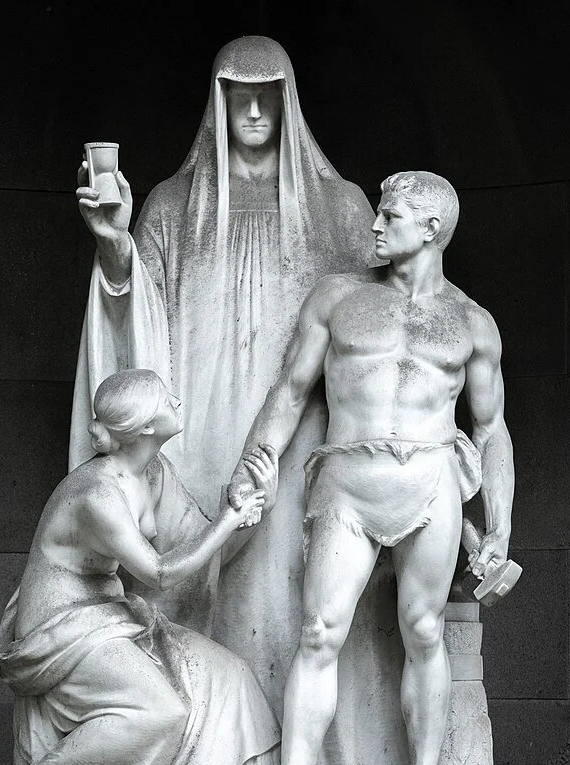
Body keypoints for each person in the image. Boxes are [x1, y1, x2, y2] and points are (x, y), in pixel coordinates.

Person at [71, 36, 377, 721]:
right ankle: (211, 754)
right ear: (218, 103)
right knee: (198, 576)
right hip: (198, 425)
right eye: (240, 95)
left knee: (294, 590)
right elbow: (136, 322)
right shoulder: (175, 207)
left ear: (289, 102)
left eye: (271, 96)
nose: (256, 111)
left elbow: (375, 336)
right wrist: (115, 244)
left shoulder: (344, 209)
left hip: (299, 429)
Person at [229, 171, 515, 765]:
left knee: (423, 631)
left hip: (430, 485)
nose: (376, 227)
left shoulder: (471, 323)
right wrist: (256, 458)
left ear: (430, 229)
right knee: (319, 629)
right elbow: (292, 391)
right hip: (349, 483)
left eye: (389, 217)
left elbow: (491, 430)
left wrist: (499, 526)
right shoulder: (338, 300)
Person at [0, 369, 281, 765]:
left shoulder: (153, 472)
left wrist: (252, 502)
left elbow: (199, 546)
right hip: (60, 630)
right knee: (162, 712)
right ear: (146, 426)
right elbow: (161, 573)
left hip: (111, 614)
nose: (178, 403)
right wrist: (229, 519)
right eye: (168, 398)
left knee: (234, 675)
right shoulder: (97, 495)